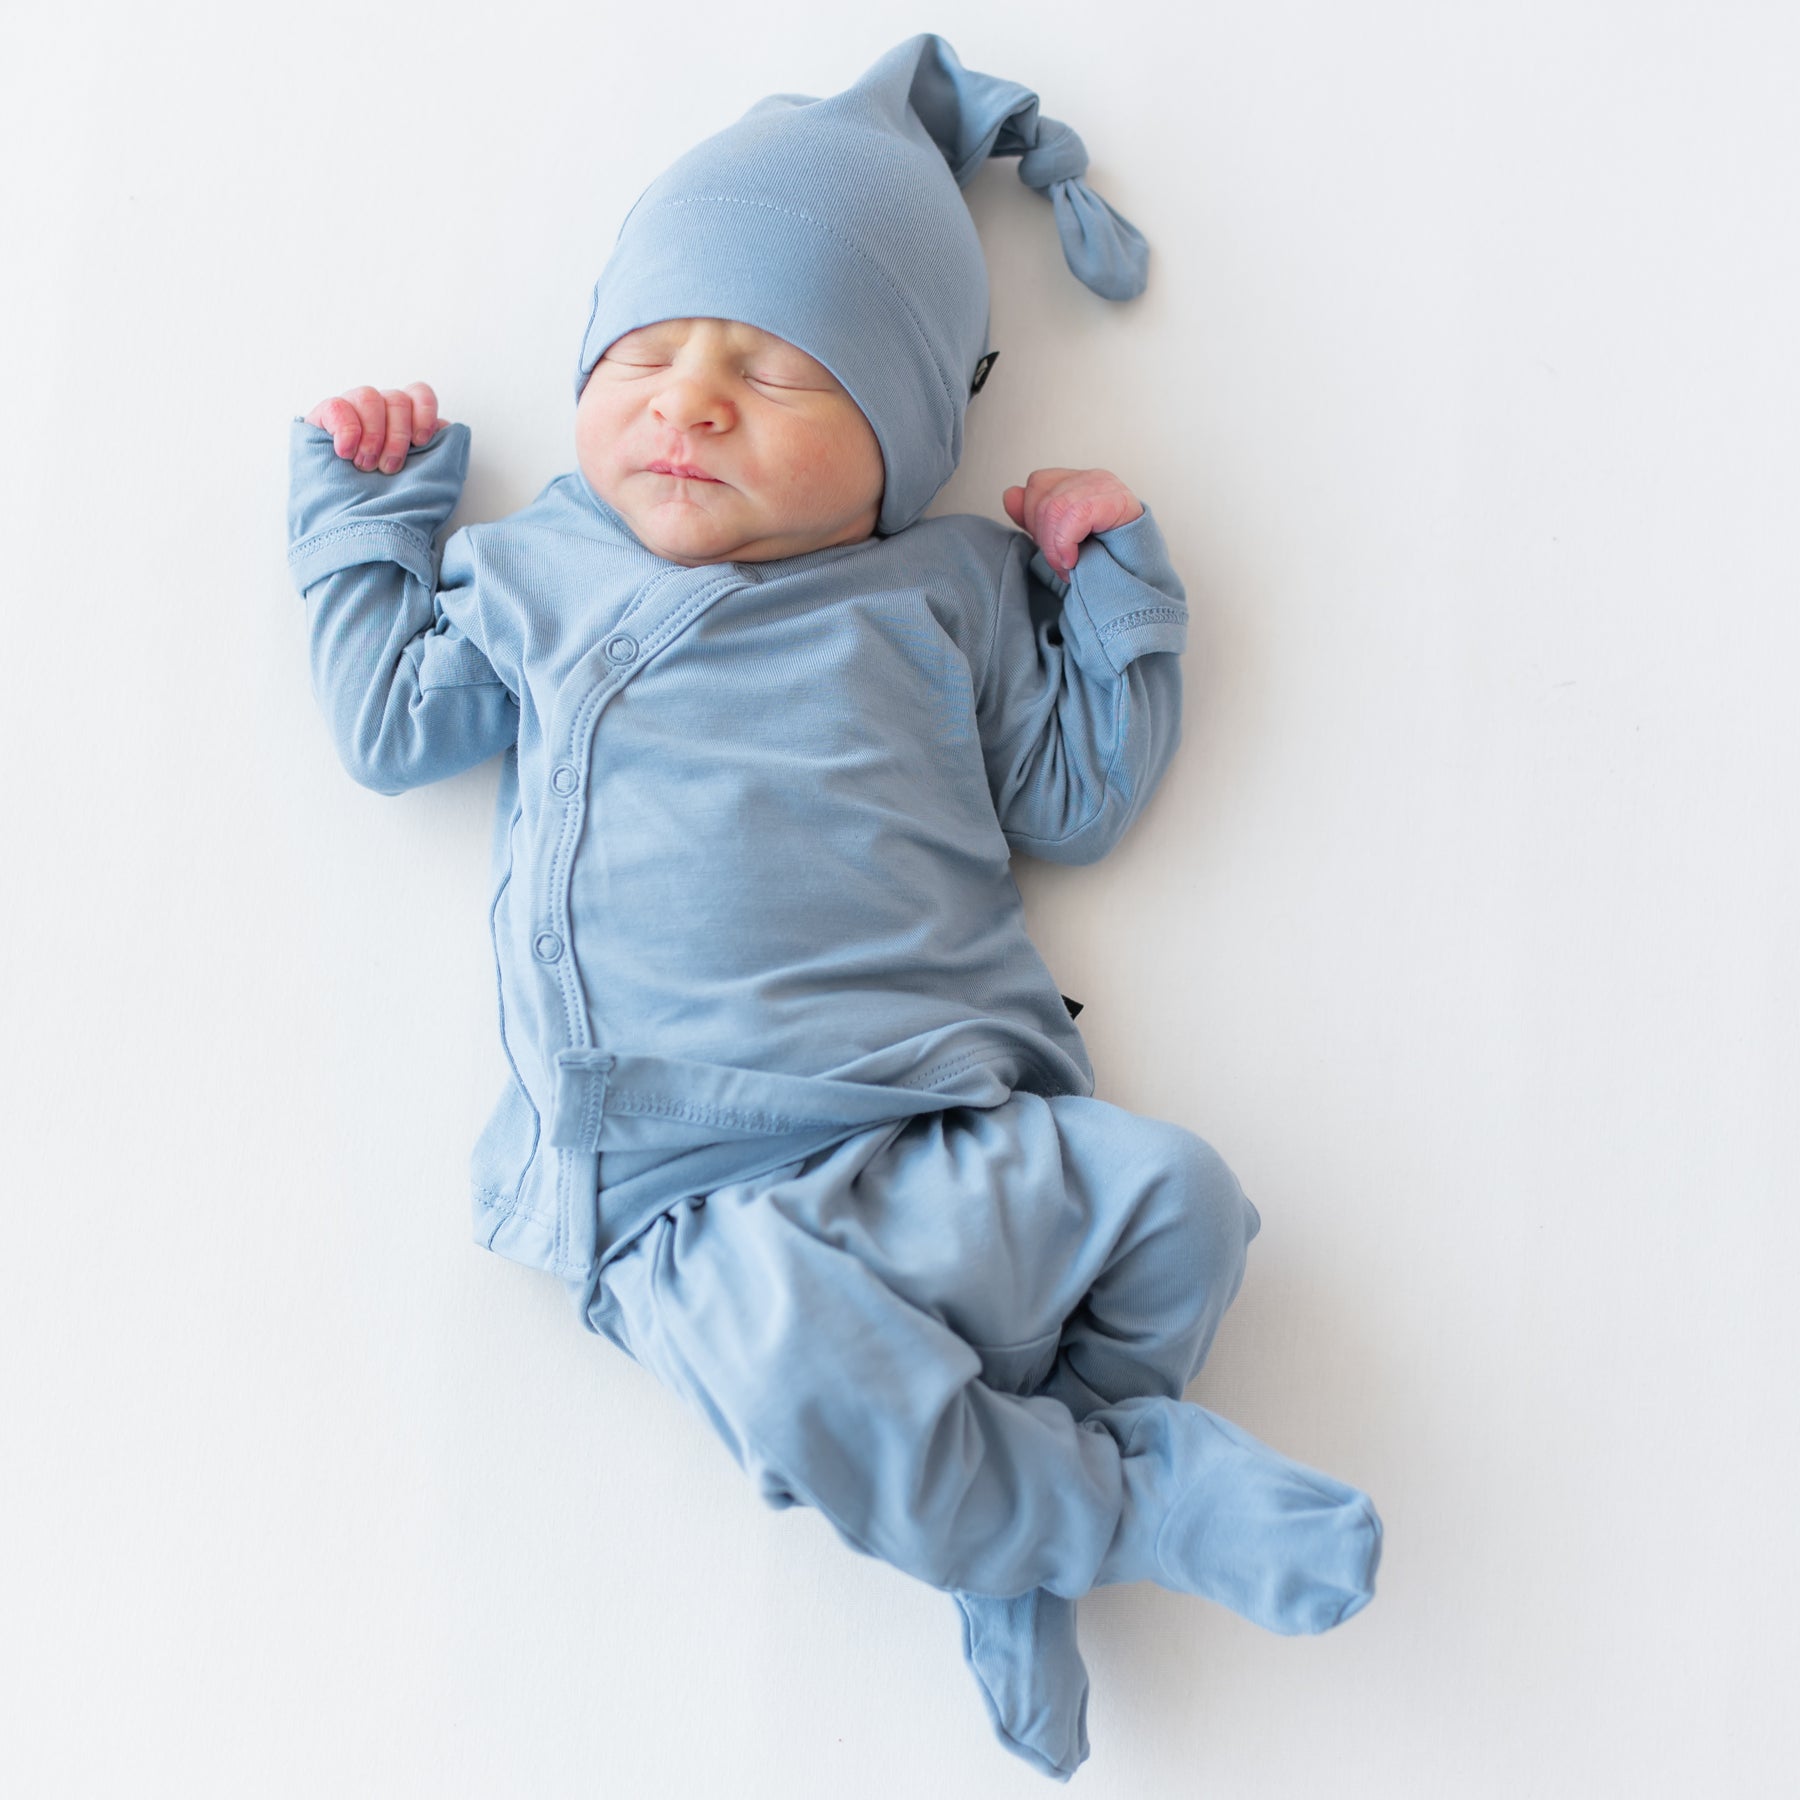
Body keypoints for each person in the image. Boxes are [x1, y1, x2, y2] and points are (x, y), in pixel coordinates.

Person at [285, 34, 1381, 1782]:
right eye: (643, 353)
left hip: (945, 1123)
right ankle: (1117, 1504)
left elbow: (1081, 806)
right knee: (821, 1377)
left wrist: (1115, 592)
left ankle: (1008, 1505)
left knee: (1183, 1203)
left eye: (775, 373)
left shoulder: (945, 597)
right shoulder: (547, 571)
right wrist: (369, 514)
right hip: (686, 1187)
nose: (687, 398)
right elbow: (385, 728)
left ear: (905, 444)